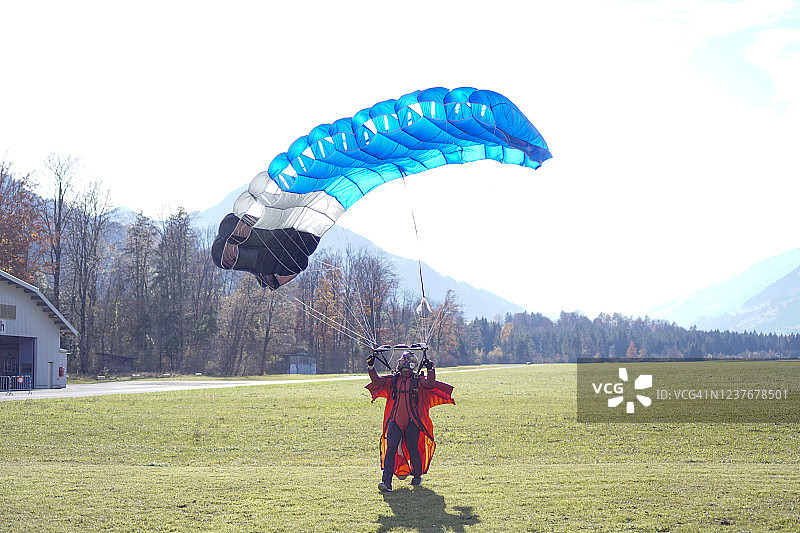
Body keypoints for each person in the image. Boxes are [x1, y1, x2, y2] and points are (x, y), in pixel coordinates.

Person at [366, 350, 454, 492]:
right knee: (390, 450)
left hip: (412, 422)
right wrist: (371, 367)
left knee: (413, 449)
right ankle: (386, 482)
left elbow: (430, 384)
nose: (398, 361)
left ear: (407, 363)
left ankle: (417, 476)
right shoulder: (393, 380)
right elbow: (377, 381)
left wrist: (430, 369)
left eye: (401, 359)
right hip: (395, 422)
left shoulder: (417, 381)